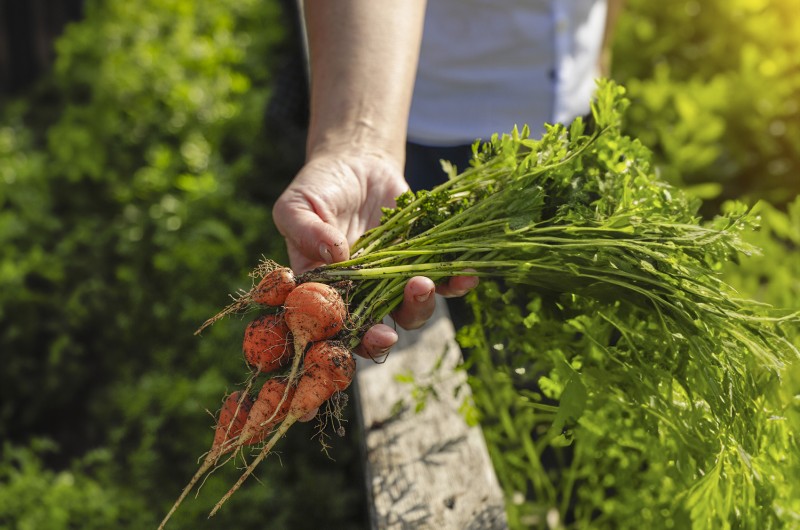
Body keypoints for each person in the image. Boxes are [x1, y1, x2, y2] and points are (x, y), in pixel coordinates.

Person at [272, 0, 623, 360]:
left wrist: (601, 52)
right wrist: (359, 146)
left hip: (575, 110)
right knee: (454, 314)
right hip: (421, 119)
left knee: (540, 325)